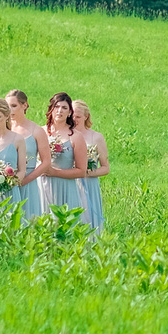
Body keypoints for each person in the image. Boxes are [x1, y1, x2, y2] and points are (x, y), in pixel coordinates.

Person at [7, 89, 51, 221]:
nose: (10, 110)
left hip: (29, 182)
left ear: (24, 105)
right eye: (7, 106)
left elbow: (46, 162)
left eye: (14, 106)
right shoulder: (5, 129)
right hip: (7, 181)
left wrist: (25, 180)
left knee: (27, 219)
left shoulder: (36, 131)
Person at [39, 92, 86, 212]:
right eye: (56, 107)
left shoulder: (76, 136)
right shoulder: (40, 132)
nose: (60, 111)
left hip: (64, 186)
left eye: (64, 108)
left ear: (70, 112)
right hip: (41, 185)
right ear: (51, 109)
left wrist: (55, 172)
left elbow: (81, 171)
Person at [73, 99, 110, 234]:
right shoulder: (65, 135)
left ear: (86, 116)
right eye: (72, 116)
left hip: (89, 184)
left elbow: (105, 167)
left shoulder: (96, 137)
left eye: (78, 116)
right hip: (70, 182)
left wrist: (86, 172)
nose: (74, 119)